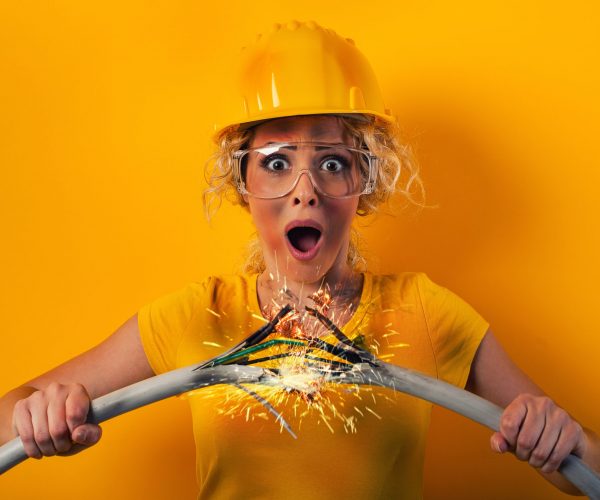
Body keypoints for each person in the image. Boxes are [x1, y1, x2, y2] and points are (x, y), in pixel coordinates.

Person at [0, 20, 598, 499]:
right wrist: (41, 413)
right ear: (241, 184)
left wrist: (554, 437)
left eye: (334, 162)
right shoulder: (196, 317)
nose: (306, 189)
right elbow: (11, 417)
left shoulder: (425, 312)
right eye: (278, 162)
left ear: (366, 180)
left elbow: (581, 468)